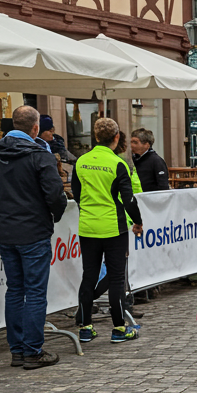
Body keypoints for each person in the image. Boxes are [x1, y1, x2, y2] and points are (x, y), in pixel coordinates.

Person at [0, 105, 67, 370]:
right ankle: (32, 351)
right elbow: (55, 195)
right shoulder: (40, 155)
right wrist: (55, 214)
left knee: (15, 290)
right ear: (35, 128)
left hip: (7, 231)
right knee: (35, 292)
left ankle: (18, 349)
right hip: (33, 231)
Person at [73, 118, 143, 345]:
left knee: (89, 276)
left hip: (88, 226)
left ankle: (85, 327)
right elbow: (128, 199)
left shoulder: (81, 161)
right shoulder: (117, 163)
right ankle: (119, 328)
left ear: (95, 137)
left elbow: (76, 192)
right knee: (115, 279)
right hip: (114, 228)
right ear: (116, 138)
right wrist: (138, 221)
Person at [130, 127, 170, 191]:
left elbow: (163, 186)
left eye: (135, 142)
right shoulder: (132, 159)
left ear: (146, 145)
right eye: (131, 142)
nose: (131, 145)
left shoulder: (156, 161)